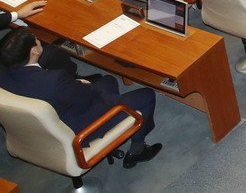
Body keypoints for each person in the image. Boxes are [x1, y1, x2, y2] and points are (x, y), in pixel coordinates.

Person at [0, 30, 162, 168]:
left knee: (109, 81)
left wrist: (74, 85)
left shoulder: (4, 77)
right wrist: (81, 84)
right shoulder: (54, 80)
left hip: (45, 125)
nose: (38, 40)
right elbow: (86, 97)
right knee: (146, 95)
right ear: (34, 51)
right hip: (77, 128)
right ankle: (137, 151)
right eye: (36, 40)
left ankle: (113, 141)